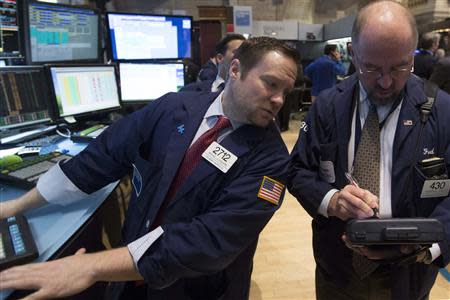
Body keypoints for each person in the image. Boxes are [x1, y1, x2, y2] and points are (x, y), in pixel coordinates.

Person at [0, 37, 299, 300]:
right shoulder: (171, 108)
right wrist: (17, 206)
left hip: (193, 285)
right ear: (235, 70)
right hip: (127, 270)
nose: (278, 100)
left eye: (285, 91)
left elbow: (208, 241)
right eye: (271, 84)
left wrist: (91, 266)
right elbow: (102, 156)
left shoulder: (271, 161)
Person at [288, 1, 450, 299]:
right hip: (338, 264)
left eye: (400, 66)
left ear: (413, 53)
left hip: (411, 269)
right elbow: (299, 170)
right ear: (353, 52)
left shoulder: (442, 109)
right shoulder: (327, 106)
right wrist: (332, 199)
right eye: (372, 67)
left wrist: (430, 246)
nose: (386, 81)